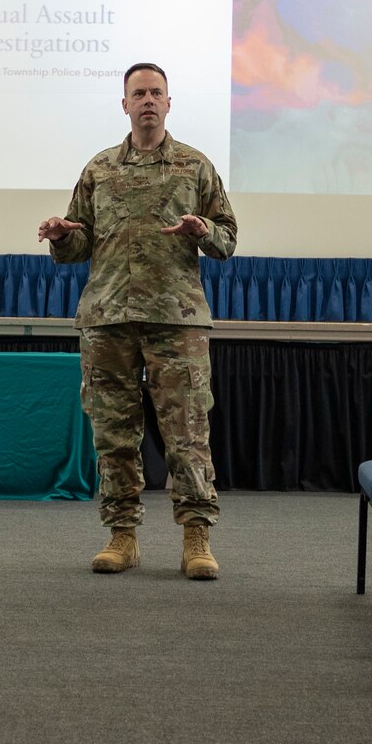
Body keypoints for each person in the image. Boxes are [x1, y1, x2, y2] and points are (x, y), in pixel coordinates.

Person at [38, 62, 238, 579]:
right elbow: (80, 244)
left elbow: (228, 240)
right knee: (114, 433)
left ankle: (197, 538)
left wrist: (202, 231)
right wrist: (62, 234)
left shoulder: (196, 167)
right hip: (108, 318)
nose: (148, 100)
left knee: (187, 432)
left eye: (156, 93)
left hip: (177, 320)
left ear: (169, 103)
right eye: (139, 93)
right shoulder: (99, 169)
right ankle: (121, 535)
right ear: (124, 105)